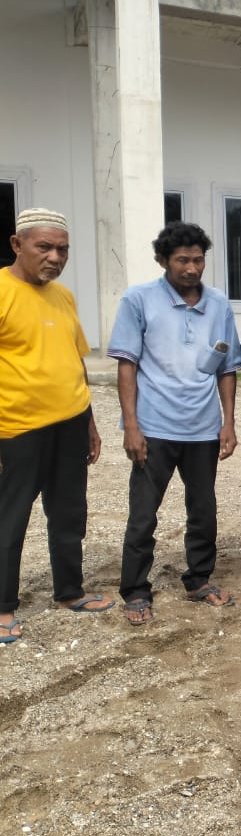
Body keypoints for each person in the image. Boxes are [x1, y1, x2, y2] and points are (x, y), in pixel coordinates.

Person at [108, 222, 241, 623]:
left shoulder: (218, 304)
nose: (191, 268)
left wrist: (228, 422)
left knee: (203, 509)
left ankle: (199, 579)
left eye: (198, 259)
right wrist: (132, 426)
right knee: (143, 513)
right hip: (154, 427)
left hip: (203, 428)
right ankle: (135, 590)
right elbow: (127, 365)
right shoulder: (138, 299)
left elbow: (228, 368)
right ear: (162, 260)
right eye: (182, 260)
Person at [0, 208, 114, 643]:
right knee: (10, 517)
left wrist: (89, 423)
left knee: (68, 513)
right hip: (16, 429)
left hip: (69, 425)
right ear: (17, 245)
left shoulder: (63, 296)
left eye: (62, 249)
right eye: (44, 247)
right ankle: (3, 606)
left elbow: (74, 360)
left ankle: (69, 592)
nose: (55, 257)